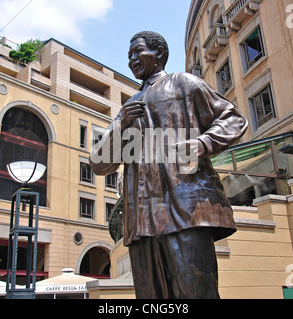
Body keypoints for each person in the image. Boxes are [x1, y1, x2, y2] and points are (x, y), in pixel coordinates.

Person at [89, 31, 248, 299]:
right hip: (141, 222)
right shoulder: (128, 108)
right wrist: (121, 124)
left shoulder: (184, 83)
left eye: (137, 52)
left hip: (186, 209)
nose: (132, 60)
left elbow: (233, 119)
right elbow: (99, 163)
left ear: (159, 53)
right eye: (128, 56)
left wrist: (203, 144)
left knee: (196, 292)